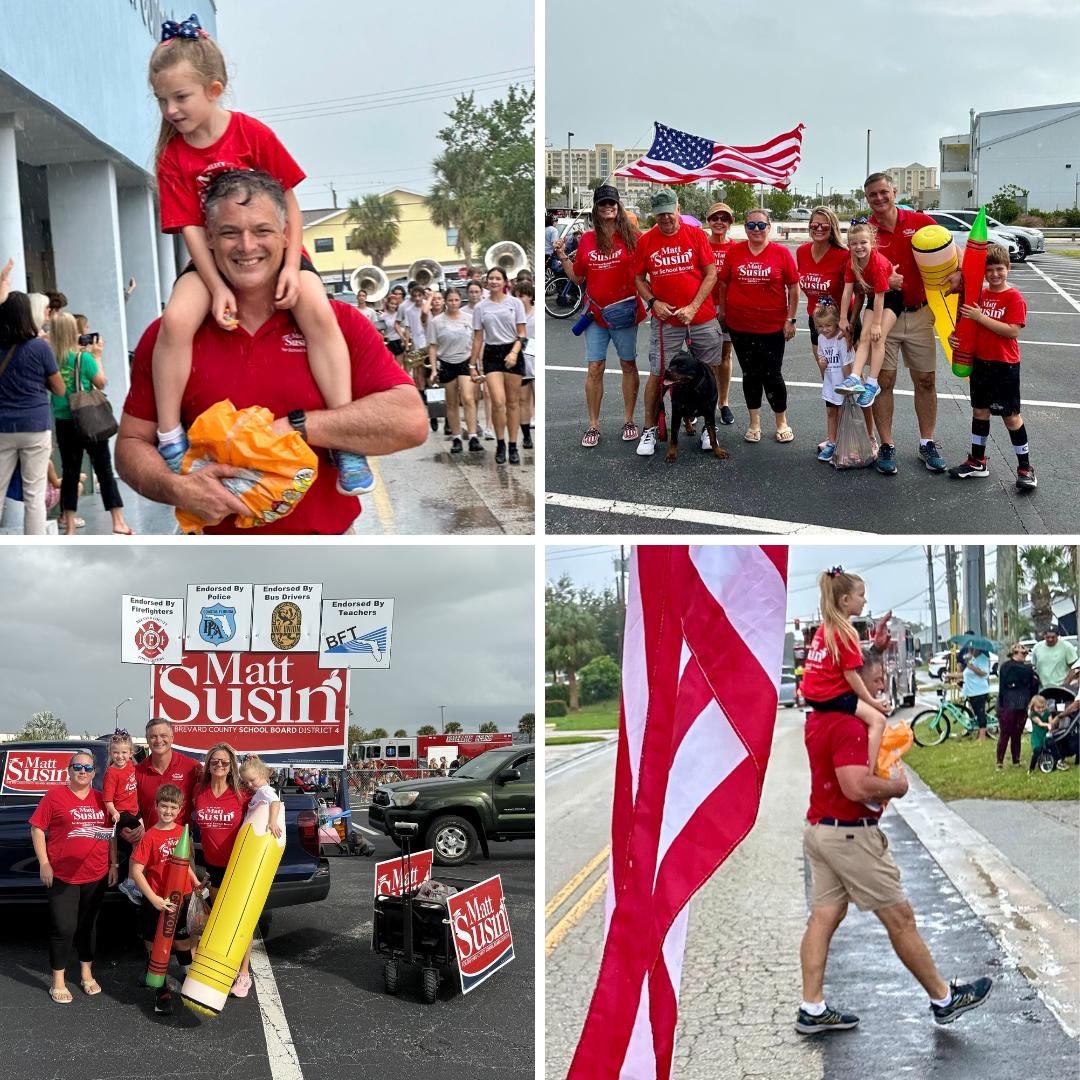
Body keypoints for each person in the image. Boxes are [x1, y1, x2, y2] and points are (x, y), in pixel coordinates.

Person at [117, 169, 426, 535]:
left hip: (325, 552)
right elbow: (131, 445)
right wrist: (175, 488)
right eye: (230, 232)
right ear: (209, 240)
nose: (247, 246)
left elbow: (410, 421)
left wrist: (294, 428)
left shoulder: (336, 323)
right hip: (214, 565)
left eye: (262, 231)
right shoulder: (170, 336)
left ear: (285, 237)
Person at [146, 18, 372, 496]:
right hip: (213, 260)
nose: (170, 110)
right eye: (162, 100)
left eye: (180, 98)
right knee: (176, 321)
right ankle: (169, 435)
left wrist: (292, 264)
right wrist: (217, 285)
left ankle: (346, 438)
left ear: (213, 89)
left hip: (280, 251)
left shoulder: (250, 132)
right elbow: (190, 227)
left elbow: (289, 199)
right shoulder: (172, 157)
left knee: (317, 311)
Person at [797, 647, 993, 1034]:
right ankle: (943, 999)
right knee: (900, 918)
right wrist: (897, 787)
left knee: (826, 915)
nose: (881, 687)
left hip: (820, 828)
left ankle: (812, 1007)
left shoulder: (819, 719)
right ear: (853, 682)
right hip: (851, 835)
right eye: (875, 680)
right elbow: (855, 786)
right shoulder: (849, 726)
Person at [862, 173, 954, 476]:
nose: (879, 198)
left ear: (894, 191)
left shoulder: (920, 222)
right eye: (872, 194)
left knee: (925, 381)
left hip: (920, 314)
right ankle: (887, 445)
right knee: (883, 382)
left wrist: (960, 273)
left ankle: (927, 442)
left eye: (883, 192)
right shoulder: (866, 232)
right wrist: (882, 281)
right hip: (882, 317)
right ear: (867, 198)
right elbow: (855, 277)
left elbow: (951, 251)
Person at [633, 190, 722, 456]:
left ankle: (709, 427)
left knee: (709, 372)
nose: (666, 219)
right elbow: (638, 278)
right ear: (654, 215)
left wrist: (694, 307)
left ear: (678, 209)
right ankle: (649, 428)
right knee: (659, 374)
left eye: (669, 213)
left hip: (701, 317)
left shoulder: (696, 236)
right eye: (660, 215)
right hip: (666, 320)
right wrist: (652, 302)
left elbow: (711, 273)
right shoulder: (647, 241)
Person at [553, 185, 643, 448]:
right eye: (603, 203)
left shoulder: (633, 236)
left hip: (625, 312)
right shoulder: (588, 240)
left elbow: (649, 263)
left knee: (628, 365)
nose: (608, 207)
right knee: (595, 368)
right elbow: (578, 277)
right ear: (595, 208)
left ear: (619, 206)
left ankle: (629, 419)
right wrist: (561, 255)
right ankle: (593, 424)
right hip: (595, 313)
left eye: (612, 203)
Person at [29, 750, 118, 1004]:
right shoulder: (55, 796)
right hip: (63, 875)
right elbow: (37, 829)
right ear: (69, 770)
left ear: (94, 773)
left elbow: (108, 833)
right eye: (77, 767)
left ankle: (86, 973)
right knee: (64, 927)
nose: (82, 771)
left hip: (96, 873)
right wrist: (44, 863)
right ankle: (57, 980)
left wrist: (113, 864)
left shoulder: (102, 800)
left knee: (88, 925)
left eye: (88, 768)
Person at [946, 244, 1037, 487]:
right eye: (990, 270)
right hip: (980, 363)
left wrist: (980, 317)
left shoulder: (1013, 297)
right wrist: (954, 338)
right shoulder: (979, 295)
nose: (995, 274)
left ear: (1008, 268)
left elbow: (1012, 331)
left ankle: (1025, 468)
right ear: (983, 272)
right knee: (980, 412)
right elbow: (968, 326)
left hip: (1004, 365)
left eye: (1000, 269)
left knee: (1010, 416)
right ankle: (978, 461)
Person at [799, 569, 889, 808]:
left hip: (815, 695)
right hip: (831, 696)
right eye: (861, 595)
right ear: (845, 600)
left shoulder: (825, 629)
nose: (865, 600)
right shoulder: (847, 632)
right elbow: (852, 676)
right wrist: (872, 702)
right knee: (878, 721)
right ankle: (867, 779)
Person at [716, 208, 799, 444]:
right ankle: (754, 422)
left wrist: (790, 319)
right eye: (751, 225)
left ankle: (781, 421)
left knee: (772, 375)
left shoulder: (781, 253)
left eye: (761, 225)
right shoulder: (735, 252)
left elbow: (793, 288)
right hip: (740, 325)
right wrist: (723, 311)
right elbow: (723, 284)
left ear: (769, 227)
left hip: (772, 327)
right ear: (745, 228)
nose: (756, 230)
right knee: (750, 374)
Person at [48, 312, 134, 536]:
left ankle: (68, 527)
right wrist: (96, 356)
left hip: (64, 421)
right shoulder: (83, 358)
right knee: (103, 469)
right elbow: (101, 382)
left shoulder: (50, 359)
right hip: (89, 419)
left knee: (70, 472)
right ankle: (118, 521)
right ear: (73, 333)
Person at [130, 784, 203, 1015]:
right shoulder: (150, 836)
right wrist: (153, 899)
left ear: (180, 809)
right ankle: (161, 992)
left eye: (173, 807)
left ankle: (187, 976)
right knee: (157, 948)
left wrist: (195, 883)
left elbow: (184, 865)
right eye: (164, 806)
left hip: (181, 899)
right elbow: (136, 871)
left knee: (182, 942)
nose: (168, 811)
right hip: (157, 901)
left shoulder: (182, 832)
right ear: (156, 806)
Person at [0, 289, 65, 534]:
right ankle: (36, 549)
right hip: (35, 425)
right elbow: (59, 389)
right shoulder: (39, 347)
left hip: (2, 426)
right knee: (34, 494)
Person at [192, 743, 254, 995]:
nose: (219, 766)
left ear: (232, 767)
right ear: (208, 765)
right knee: (218, 920)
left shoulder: (242, 793)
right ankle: (222, 969)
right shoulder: (199, 791)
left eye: (225, 763)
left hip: (239, 865)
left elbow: (270, 797)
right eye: (214, 762)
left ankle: (243, 973)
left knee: (242, 921)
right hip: (214, 867)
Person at [837, 221, 903, 409]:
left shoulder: (878, 263)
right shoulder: (852, 263)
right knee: (864, 337)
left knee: (877, 337)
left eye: (863, 243)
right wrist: (843, 318)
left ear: (872, 242)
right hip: (874, 298)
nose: (859, 247)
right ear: (849, 245)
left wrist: (876, 324)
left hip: (891, 298)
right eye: (854, 243)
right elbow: (847, 292)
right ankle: (854, 377)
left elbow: (881, 297)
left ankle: (872, 384)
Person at [469, 267, 527, 465]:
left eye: (497, 278)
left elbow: (522, 333)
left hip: (512, 351)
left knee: (513, 402)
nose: (494, 281)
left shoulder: (515, 303)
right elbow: (478, 338)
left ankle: (512, 444)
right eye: (491, 278)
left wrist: (514, 352)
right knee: (498, 401)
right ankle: (500, 442)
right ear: (487, 282)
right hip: (492, 353)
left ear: (504, 282)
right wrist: (472, 365)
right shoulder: (480, 307)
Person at [120, 719, 201, 847]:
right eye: (153, 736)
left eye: (163, 736)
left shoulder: (192, 768)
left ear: (172, 738)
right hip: (148, 843)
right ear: (147, 740)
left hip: (181, 843)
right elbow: (124, 804)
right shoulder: (137, 771)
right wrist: (124, 827)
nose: (158, 740)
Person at [429, 287, 481, 453]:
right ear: (445, 301)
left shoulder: (469, 319)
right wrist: (433, 369)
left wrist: (475, 363)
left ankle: (473, 436)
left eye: (456, 300)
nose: (453, 303)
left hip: (465, 360)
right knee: (451, 402)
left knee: (467, 397)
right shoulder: (436, 322)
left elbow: (476, 341)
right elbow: (432, 346)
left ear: (460, 301)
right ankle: (457, 437)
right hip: (446, 362)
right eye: (450, 300)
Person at [797, 207, 849, 371]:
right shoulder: (801, 251)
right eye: (815, 225)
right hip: (817, 321)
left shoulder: (844, 254)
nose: (819, 229)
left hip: (841, 321)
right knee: (827, 373)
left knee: (850, 376)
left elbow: (856, 289)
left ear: (832, 228)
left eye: (825, 226)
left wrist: (849, 321)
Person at [705, 201, 738, 426]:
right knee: (704, 359)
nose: (719, 222)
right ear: (708, 221)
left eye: (724, 218)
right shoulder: (701, 244)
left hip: (727, 308)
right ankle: (705, 399)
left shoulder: (735, 248)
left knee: (725, 356)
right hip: (704, 307)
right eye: (715, 218)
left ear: (730, 223)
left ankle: (723, 402)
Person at [102, 732, 144, 904]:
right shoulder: (111, 773)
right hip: (122, 814)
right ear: (111, 753)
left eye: (124, 752)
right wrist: (114, 813)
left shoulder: (132, 768)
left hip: (135, 811)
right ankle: (130, 881)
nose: (120, 756)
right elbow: (107, 800)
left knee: (145, 841)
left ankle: (137, 879)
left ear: (131, 753)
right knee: (139, 842)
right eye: (116, 752)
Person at [811, 301, 854, 462]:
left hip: (842, 384)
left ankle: (844, 442)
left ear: (837, 322)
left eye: (828, 325)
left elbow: (847, 363)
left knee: (843, 414)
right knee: (831, 412)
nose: (824, 329)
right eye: (820, 326)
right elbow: (822, 360)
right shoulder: (821, 339)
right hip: (830, 383)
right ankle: (832, 442)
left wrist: (849, 386)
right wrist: (822, 364)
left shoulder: (841, 338)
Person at [995, 642, 1039, 769]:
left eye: (1026, 653)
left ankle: (1016, 760)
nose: (1025, 655)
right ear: (1014, 653)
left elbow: (1032, 684)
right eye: (1023, 653)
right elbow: (1010, 683)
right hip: (1008, 705)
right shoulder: (1008, 667)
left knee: (1017, 733)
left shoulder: (1024, 668)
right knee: (1005, 734)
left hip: (1022, 703)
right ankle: (1000, 761)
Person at [515, 281, 536, 449]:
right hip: (521, 362)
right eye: (516, 296)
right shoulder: (513, 316)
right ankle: (526, 436)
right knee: (523, 399)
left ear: (529, 296)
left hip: (535, 359)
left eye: (521, 296)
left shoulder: (536, 314)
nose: (518, 299)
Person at [959, 647, 992, 742]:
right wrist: (951, 676)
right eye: (969, 649)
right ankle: (979, 733)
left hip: (979, 691)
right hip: (971, 691)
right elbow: (966, 674)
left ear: (977, 649)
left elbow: (984, 673)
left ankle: (982, 737)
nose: (970, 651)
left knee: (980, 713)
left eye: (972, 649)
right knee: (977, 713)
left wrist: (971, 667)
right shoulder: (973, 659)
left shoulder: (983, 659)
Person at [1031, 625, 1079, 690]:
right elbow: (1034, 667)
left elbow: (1074, 668)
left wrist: (1066, 683)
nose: (1050, 639)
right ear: (1044, 636)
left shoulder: (1066, 647)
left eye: (1053, 637)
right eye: (1048, 637)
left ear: (1057, 636)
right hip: (1043, 688)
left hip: (1061, 687)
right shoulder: (1037, 648)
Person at [1026, 695, 1057, 772]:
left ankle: (1057, 762)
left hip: (1046, 734)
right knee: (1037, 750)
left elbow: (1051, 722)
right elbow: (1040, 723)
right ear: (1033, 707)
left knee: (1051, 747)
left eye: (1042, 707)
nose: (1041, 709)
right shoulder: (1033, 714)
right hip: (1037, 735)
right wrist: (1047, 725)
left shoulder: (1047, 713)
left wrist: (1052, 725)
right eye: (1038, 708)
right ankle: (1031, 768)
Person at [378, 288, 407, 363]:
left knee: (398, 366)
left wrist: (403, 337)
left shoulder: (400, 314)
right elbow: (380, 331)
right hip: (388, 342)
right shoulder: (382, 316)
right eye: (391, 303)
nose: (393, 306)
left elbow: (405, 328)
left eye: (395, 304)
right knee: (388, 364)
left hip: (398, 341)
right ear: (388, 303)